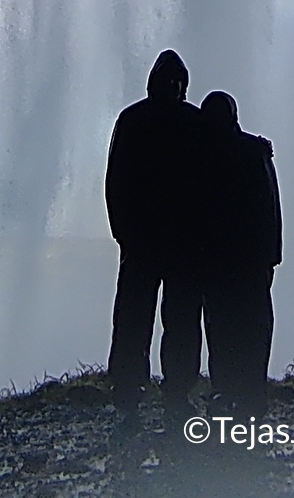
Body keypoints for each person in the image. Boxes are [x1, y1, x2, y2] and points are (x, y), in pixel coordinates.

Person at [105, 50, 204, 423]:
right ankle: (156, 386)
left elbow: (115, 182)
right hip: (162, 241)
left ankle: (146, 386)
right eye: (170, 81)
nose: (174, 88)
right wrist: (124, 232)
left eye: (178, 82)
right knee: (157, 318)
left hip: (158, 241)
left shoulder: (134, 120)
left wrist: (124, 233)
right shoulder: (181, 121)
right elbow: (116, 181)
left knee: (154, 318)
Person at [196, 89, 281, 417]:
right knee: (250, 327)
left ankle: (227, 390)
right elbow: (270, 209)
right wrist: (271, 256)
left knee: (221, 327)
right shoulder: (252, 152)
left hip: (222, 262)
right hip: (248, 262)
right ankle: (250, 391)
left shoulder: (202, 155)